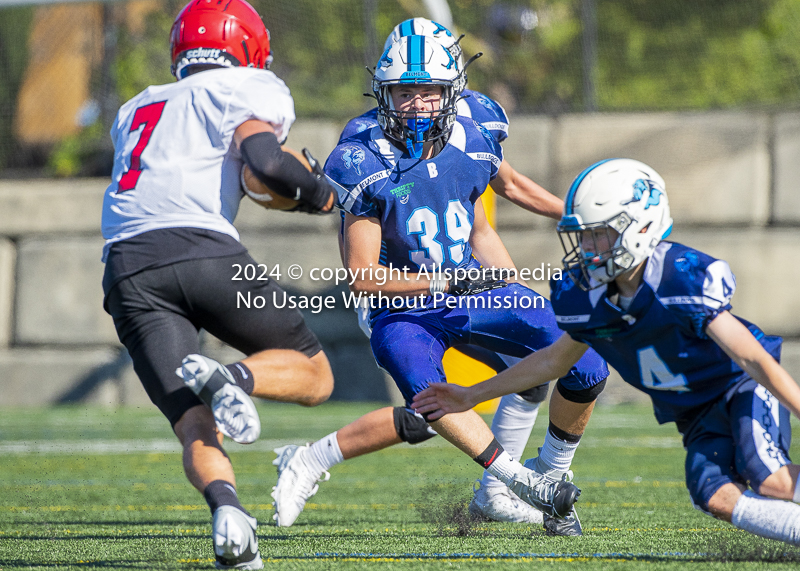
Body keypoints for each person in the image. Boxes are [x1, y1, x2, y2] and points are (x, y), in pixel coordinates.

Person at [270, 17, 597, 534]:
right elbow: (362, 276)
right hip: (401, 306)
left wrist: (578, 217)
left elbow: (499, 195)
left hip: (468, 287)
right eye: (404, 91)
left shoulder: (476, 128)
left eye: (430, 91)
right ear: (384, 91)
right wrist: (442, 284)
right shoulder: (363, 153)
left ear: (454, 92)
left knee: (586, 361)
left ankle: (546, 478)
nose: (416, 104)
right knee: (429, 400)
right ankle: (522, 487)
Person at [412, 158, 800, 547]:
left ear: (641, 227)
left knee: (771, 478)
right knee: (713, 496)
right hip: (695, 410)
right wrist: (470, 395)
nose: (586, 247)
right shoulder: (586, 295)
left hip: (739, 386)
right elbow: (553, 361)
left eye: (599, 235)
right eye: (582, 236)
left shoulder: (679, 276)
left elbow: (752, 358)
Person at [101, 0, 337, 568]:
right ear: (249, 48)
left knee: (194, 423)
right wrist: (319, 192)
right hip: (203, 250)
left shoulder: (136, 106)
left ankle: (227, 511)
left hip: (127, 266)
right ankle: (229, 376)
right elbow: (266, 165)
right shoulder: (247, 87)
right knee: (315, 373)